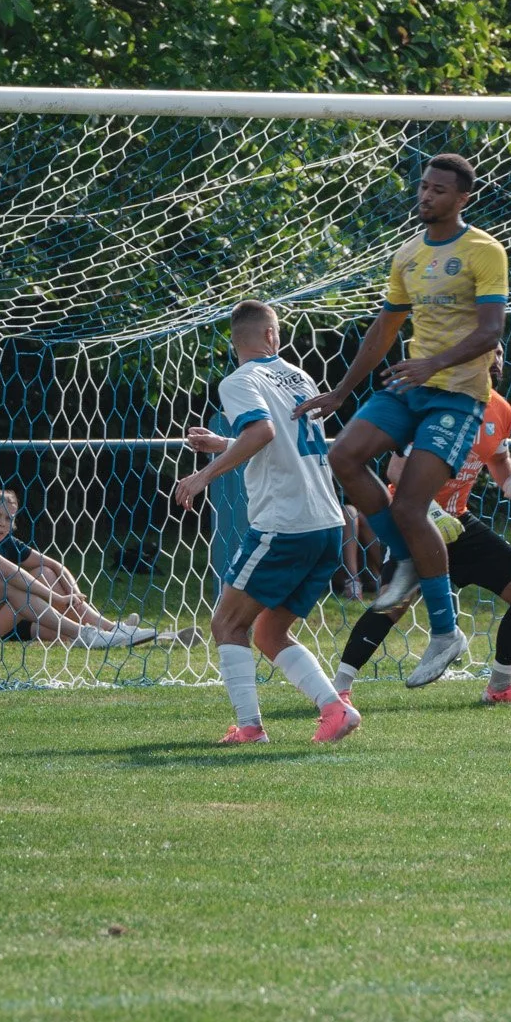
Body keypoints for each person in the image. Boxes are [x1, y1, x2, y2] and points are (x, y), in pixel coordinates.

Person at [295, 153, 507, 692]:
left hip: (456, 396)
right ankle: (411, 560)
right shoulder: (407, 255)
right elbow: (384, 331)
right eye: (424, 187)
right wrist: (340, 393)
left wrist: (434, 363)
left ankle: (445, 631)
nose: (426, 196)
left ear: (463, 198)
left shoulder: (484, 250)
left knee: (412, 506)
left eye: (439, 190)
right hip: (410, 388)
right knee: (342, 455)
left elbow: (490, 332)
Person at [174, 300, 358, 745]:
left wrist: (203, 475)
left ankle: (251, 728)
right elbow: (280, 438)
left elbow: (263, 433)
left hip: (285, 523)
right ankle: (335, 709)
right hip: (327, 524)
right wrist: (222, 444)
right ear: (272, 336)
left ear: (235, 339)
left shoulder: (239, 381)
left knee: (227, 624)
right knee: (269, 632)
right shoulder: (299, 376)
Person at [331, 355, 511, 701]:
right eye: (488, 351)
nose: (496, 359)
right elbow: (396, 471)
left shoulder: (500, 408)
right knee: (391, 604)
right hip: (415, 520)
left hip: (460, 520)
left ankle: (500, 687)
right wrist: (433, 511)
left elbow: (498, 459)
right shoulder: (439, 401)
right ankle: (338, 691)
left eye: (499, 352)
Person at [0, 488, 157, 648]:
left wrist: (74, 594)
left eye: (8, 518)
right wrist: (57, 599)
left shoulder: (5, 541)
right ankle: (91, 634)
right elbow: (9, 572)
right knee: (8, 584)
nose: (2, 523)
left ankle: (114, 632)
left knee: (46, 575)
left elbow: (53, 565)